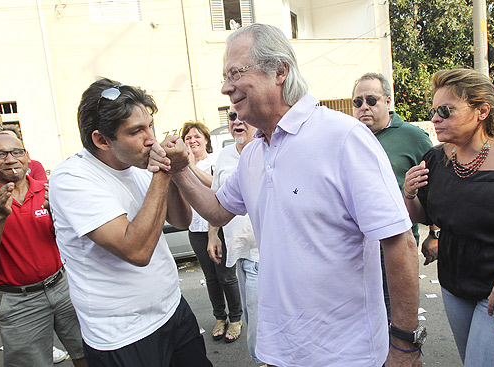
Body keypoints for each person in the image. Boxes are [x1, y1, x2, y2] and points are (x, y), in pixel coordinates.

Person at [150, 23, 422, 367]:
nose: (225, 87)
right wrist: (179, 170)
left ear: (279, 70)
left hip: (347, 354)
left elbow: (399, 243)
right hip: (281, 350)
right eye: (224, 76)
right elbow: (217, 211)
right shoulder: (252, 153)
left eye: (235, 72)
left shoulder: (343, 137)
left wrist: (404, 344)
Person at [49, 78, 212, 367]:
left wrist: (172, 173)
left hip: (172, 311)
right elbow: (136, 251)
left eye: (150, 125)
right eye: (137, 131)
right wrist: (162, 172)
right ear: (101, 140)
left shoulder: (137, 164)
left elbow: (182, 220)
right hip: (123, 335)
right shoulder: (72, 179)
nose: (151, 139)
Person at [404, 68, 494, 367]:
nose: (435, 118)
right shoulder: (436, 158)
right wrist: (410, 195)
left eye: (445, 110)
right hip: (454, 286)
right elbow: (426, 217)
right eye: (434, 111)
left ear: (481, 111)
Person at [0, 133, 87, 367]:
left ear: (27, 157)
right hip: (19, 301)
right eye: (0, 154)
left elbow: (72, 240)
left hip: (63, 287)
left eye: (17, 152)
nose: (10, 159)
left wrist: (58, 217)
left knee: (88, 351)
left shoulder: (47, 190)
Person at [352, 72, 432, 322]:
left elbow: (436, 192)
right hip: (352, 250)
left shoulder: (413, 137)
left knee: (394, 321)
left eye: (371, 100)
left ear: (388, 101)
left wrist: (436, 234)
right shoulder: (348, 136)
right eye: (358, 102)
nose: (364, 107)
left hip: (394, 249)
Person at [207, 108, 262, 362]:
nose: (237, 121)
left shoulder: (266, 150)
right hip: (238, 249)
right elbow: (217, 197)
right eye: (231, 117)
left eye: (242, 116)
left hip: (262, 253)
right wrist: (213, 235)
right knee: (253, 315)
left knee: (258, 313)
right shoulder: (224, 156)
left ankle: (261, 358)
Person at [181, 120, 243, 342]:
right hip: (195, 229)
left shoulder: (215, 161)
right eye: (188, 138)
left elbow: (215, 187)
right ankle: (220, 317)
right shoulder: (183, 165)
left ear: (206, 140)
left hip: (218, 228)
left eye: (197, 136)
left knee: (226, 276)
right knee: (210, 278)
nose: (192, 141)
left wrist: (191, 168)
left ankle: (236, 318)